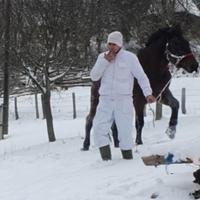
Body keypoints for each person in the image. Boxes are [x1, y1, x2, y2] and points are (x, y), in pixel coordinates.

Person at [90, 31, 155, 160]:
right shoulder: (102, 57)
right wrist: (104, 61)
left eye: (113, 44)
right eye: (109, 44)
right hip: (105, 100)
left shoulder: (130, 58)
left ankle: (127, 160)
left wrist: (148, 93)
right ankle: (106, 160)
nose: (111, 47)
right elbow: (94, 76)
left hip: (123, 100)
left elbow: (141, 77)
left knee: (124, 132)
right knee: (98, 129)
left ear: (119, 44)